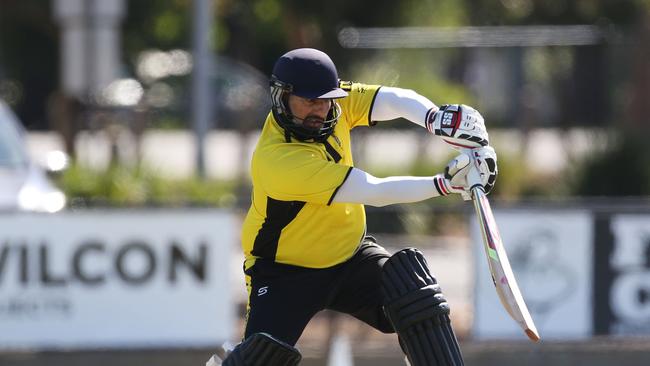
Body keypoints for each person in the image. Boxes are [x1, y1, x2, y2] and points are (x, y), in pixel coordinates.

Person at [209, 48, 497, 366]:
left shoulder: (336, 102)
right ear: (282, 97)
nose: (320, 109)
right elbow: (372, 190)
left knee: (415, 296)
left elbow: (393, 99)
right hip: (284, 273)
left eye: (325, 99)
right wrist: (446, 184)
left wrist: (435, 119)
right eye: (309, 101)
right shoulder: (278, 159)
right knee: (258, 358)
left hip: (350, 256)